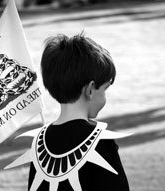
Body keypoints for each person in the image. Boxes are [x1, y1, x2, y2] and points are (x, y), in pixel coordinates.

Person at [28, 33, 130, 191]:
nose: (105, 96)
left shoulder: (39, 143)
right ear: (90, 89)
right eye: (105, 89)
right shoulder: (99, 141)